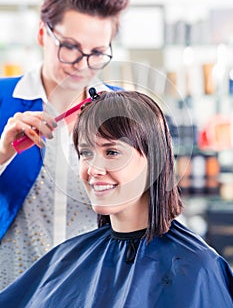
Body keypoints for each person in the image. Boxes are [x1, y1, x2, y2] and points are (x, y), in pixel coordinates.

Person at [0, 90, 232, 307]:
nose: (94, 169)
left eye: (112, 152)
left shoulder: (196, 268)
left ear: (156, 160)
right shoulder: (67, 259)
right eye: (86, 153)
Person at [0, 0, 129, 289]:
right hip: (13, 289)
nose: (83, 65)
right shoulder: (2, 101)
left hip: (93, 290)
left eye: (97, 52)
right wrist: (1, 153)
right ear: (43, 34)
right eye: (70, 47)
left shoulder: (123, 110)